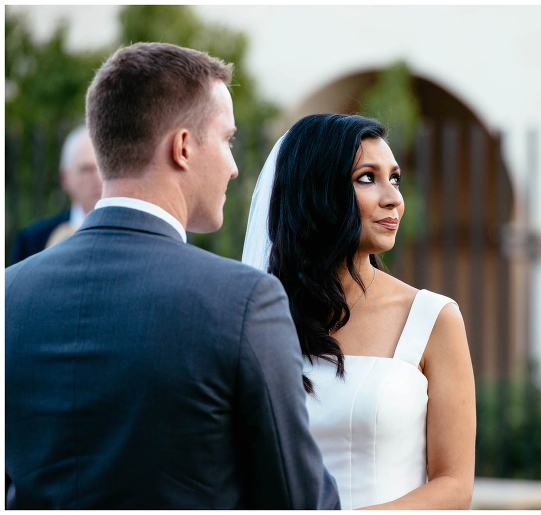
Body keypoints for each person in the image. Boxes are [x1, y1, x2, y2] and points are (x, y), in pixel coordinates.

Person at [5, 42, 339, 510]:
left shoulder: (9, 294)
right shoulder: (243, 300)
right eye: (227, 140)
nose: (234, 165)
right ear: (183, 147)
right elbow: (298, 499)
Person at [242, 113, 476, 510]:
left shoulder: (432, 318)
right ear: (317, 189)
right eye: (367, 177)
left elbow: (454, 484)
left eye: (395, 178)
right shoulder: (259, 316)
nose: (394, 198)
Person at [10, 126, 102, 264]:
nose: (98, 178)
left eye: (102, 168)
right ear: (65, 178)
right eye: (86, 170)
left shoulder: (134, 237)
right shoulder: (32, 243)